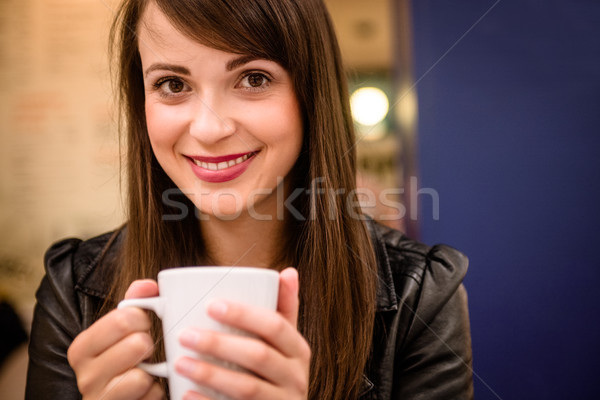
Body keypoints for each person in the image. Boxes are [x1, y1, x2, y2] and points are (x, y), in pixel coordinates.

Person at [25, 0, 473, 399]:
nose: (209, 128)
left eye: (253, 78)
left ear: (310, 95)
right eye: (173, 85)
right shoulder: (73, 294)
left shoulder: (421, 296)